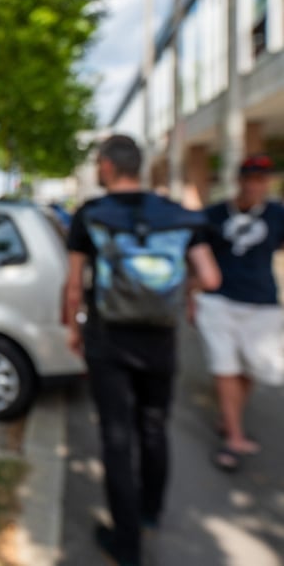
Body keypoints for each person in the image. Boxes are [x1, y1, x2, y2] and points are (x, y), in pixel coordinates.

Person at [64, 135, 221, 566]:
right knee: (154, 427)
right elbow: (210, 276)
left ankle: (126, 545)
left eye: (98, 163)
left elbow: (75, 285)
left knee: (117, 438)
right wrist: (178, 291)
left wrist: (73, 330)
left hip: (108, 339)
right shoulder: (178, 214)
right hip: (161, 340)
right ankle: (150, 513)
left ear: (108, 167)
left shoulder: (91, 214)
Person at [191, 154, 284, 472]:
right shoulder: (212, 215)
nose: (256, 185)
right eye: (251, 178)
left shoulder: (277, 214)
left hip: (262, 303)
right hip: (218, 301)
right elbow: (196, 257)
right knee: (224, 367)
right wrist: (193, 294)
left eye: (262, 179)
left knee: (251, 369)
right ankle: (234, 436)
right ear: (240, 180)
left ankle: (229, 417)